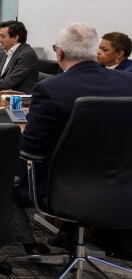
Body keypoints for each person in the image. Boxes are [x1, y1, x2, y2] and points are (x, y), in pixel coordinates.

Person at [14, 23, 132, 258]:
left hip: (60, 190)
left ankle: (30, 245)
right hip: (120, 184)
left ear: (59, 53)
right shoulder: (127, 83)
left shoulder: (49, 88)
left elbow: (31, 150)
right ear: (92, 51)